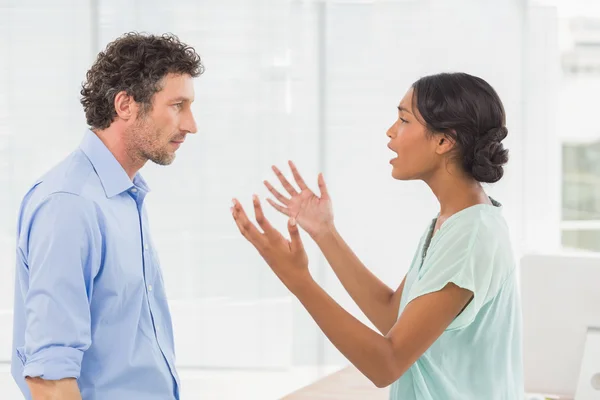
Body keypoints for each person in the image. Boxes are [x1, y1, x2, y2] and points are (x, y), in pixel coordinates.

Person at [231, 72, 524, 399]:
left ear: (444, 141)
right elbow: (392, 315)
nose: (390, 132)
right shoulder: (451, 224)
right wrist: (325, 233)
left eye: (403, 120)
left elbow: (387, 363)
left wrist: (298, 280)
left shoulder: (471, 236)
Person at [11, 32, 203, 400]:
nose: (191, 124)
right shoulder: (69, 204)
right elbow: (49, 379)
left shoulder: (124, 196)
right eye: (178, 105)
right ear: (125, 105)